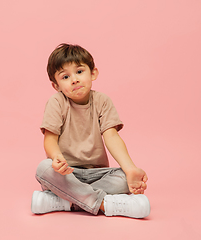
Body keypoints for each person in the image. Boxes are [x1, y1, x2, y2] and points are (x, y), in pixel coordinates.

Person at [31, 43, 150, 218]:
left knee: (124, 177)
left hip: (97, 174)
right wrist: (57, 158)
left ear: (93, 73)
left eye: (79, 72)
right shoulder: (56, 103)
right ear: (56, 85)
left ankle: (66, 201)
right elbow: (50, 139)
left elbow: (112, 137)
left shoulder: (102, 101)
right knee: (44, 168)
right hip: (66, 174)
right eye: (65, 76)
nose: (74, 79)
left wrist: (130, 168)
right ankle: (104, 204)